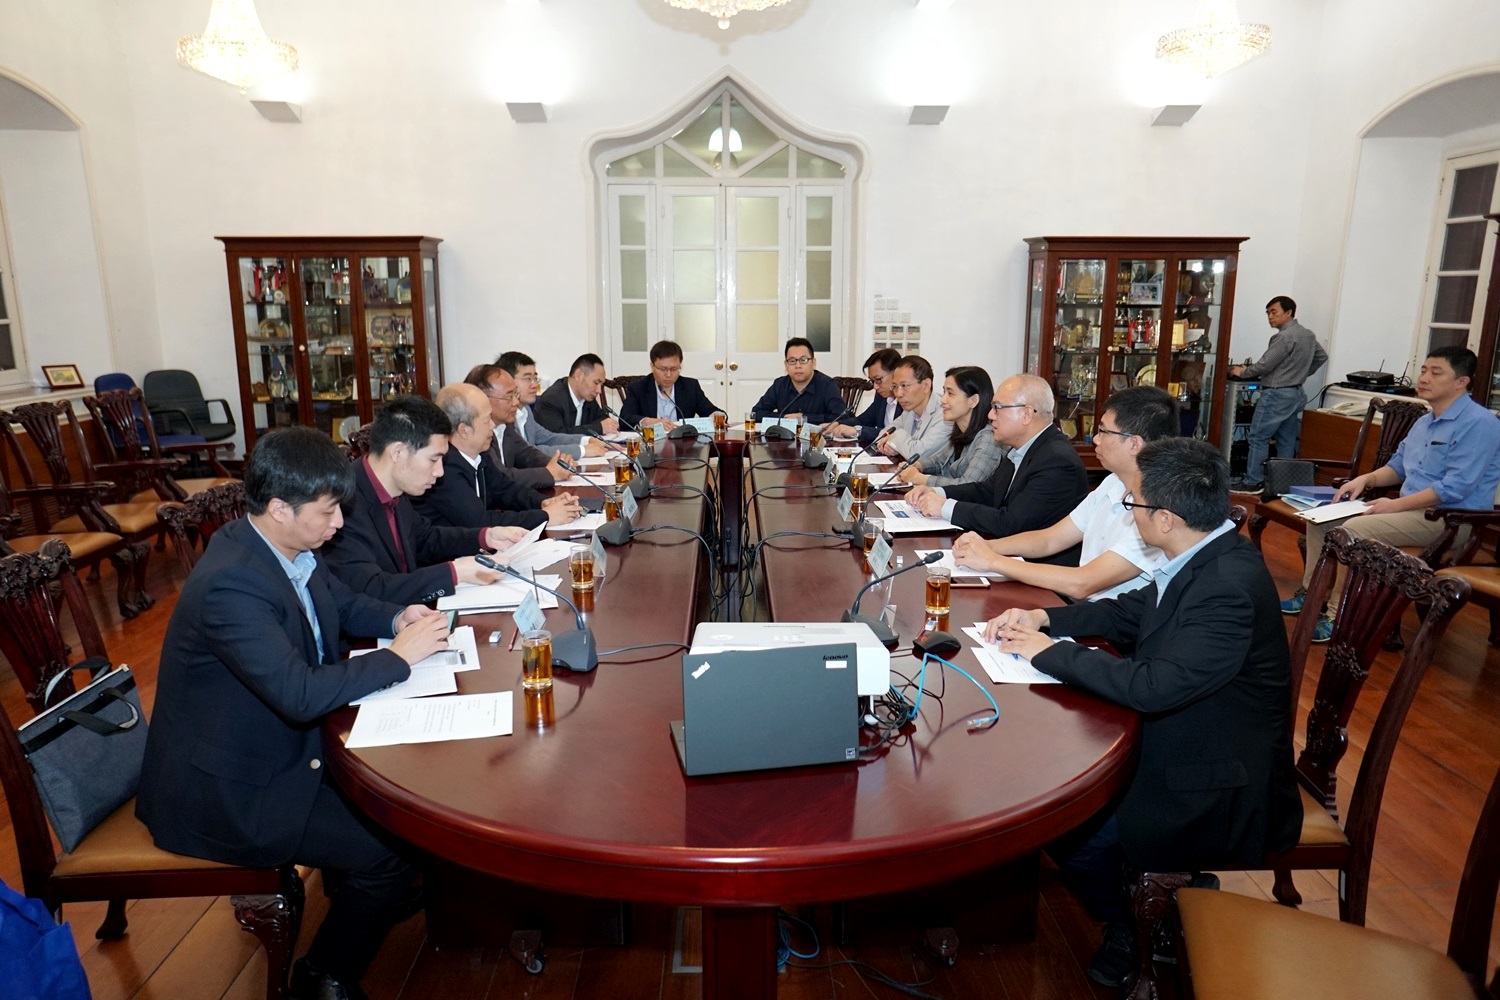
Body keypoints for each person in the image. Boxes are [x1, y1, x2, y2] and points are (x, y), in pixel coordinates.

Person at [137, 427, 456, 1000]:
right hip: (230, 787)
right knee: (392, 848)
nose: (339, 523)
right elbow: (298, 694)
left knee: (405, 801)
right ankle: (324, 975)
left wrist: (397, 618)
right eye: (329, 511)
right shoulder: (231, 584)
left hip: (276, 749)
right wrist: (397, 659)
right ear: (280, 508)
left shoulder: (283, 546)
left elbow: (342, 602)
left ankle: (369, 900)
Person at [986, 437, 1302, 988]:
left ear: (1166, 518)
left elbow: (1154, 687)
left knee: (1070, 826)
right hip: (1189, 731)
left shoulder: (1226, 586)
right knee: (1054, 776)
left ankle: (1137, 925)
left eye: (1132, 503)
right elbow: (1130, 612)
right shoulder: (1201, 552)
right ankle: (1157, 900)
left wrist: (1048, 655)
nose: (1127, 513)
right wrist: (1044, 620)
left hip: (1218, 775)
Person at [1285, 346, 1500, 641]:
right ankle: (1313, 596)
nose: (1424, 378)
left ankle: (1339, 616)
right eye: (1423, 370)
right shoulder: (1424, 422)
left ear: (1461, 382)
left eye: (1436, 373)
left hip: (1452, 520)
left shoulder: (1480, 423)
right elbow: (1398, 467)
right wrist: (1366, 480)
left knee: (1353, 530)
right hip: (1412, 511)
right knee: (1321, 520)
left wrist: (1395, 505)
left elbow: (1454, 487)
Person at [960, 385, 1176, 602]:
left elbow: (1083, 583)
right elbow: (1049, 539)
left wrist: (993, 561)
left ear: (1134, 444)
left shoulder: (1159, 511)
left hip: (1111, 619)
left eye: (1104, 431)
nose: (1096, 439)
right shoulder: (1113, 483)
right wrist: (988, 546)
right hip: (1085, 609)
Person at [322, 395, 525, 606]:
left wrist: (486, 536)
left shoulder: (395, 488)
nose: (440, 472)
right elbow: (373, 588)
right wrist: (455, 572)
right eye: (433, 459)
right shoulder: (342, 504)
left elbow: (425, 538)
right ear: (398, 452)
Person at [907, 374, 1089, 561]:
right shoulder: (1022, 447)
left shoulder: (1056, 461)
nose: (990, 415)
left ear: (1026, 414)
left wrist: (946, 507)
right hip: (1009, 557)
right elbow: (987, 491)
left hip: (1039, 570)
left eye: (997, 408)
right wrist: (937, 492)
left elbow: (1011, 523)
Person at [416, 381, 582, 530]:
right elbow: (481, 522)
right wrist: (545, 517)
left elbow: (506, 489)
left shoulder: (480, 454)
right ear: (463, 430)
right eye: (486, 420)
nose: (492, 425)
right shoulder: (445, 469)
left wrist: (543, 502)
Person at [1228, 296, 1329, 493]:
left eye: (1274, 312)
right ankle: (1282, 484)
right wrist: (1300, 373)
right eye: (1268, 313)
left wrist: (1242, 372)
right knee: (1287, 440)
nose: (1270, 317)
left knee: (1258, 437)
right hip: (1296, 393)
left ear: (1289, 312)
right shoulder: (1308, 335)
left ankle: (1252, 482)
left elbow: (1264, 365)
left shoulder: (1283, 337)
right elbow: (1321, 357)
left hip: (1276, 394)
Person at [465, 365, 571, 490]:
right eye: (509, 396)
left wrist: (558, 464)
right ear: (483, 399)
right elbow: (501, 477)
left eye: (516, 394)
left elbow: (527, 454)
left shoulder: (506, 425)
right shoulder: (477, 434)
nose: (516, 402)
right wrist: (549, 473)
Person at [897, 366, 1005, 489]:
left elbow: (967, 485)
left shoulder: (988, 439)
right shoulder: (960, 429)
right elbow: (939, 461)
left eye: (950, 393)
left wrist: (919, 478)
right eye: (944, 392)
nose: (943, 400)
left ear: (973, 400)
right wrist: (916, 465)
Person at [496, 350, 607, 460]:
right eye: (528, 379)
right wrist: (582, 450)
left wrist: (587, 440)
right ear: (507, 380)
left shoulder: (525, 410)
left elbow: (548, 437)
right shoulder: (502, 416)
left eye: (535, 379)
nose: (534, 385)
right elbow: (529, 453)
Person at [619, 339, 721, 431]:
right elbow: (624, 419)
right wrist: (649, 422)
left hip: (683, 443)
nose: (668, 374)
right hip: (651, 442)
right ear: (652, 366)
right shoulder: (638, 388)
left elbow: (714, 411)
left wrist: (715, 417)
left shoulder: (690, 386)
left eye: (674, 369)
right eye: (663, 369)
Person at [749, 337, 846, 424]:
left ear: (813, 363)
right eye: (792, 361)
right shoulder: (780, 385)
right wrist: (785, 418)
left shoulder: (827, 385)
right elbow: (756, 413)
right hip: (785, 437)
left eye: (803, 360)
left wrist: (804, 418)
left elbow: (842, 417)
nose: (798, 365)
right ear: (786, 365)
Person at [876, 355, 950, 460]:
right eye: (895, 387)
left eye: (904, 386)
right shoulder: (909, 411)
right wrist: (894, 445)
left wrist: (896, 438)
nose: (898, 394)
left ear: (926, 385)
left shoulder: (945, 415)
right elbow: (882, 436)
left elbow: (917, 453)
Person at [533, 353, 620, 437]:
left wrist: (609, 425)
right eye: (596, 383)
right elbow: (557, 436)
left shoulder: (588, 398)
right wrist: (598, 428)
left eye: (601, 385)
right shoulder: (552, 399)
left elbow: (602, 420)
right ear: (579, 375)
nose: (599, 390)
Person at [827, 348, 901, 444]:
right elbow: (863, 420)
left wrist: (858, 431)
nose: (875, 386)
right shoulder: (881, 397)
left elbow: (896, 433)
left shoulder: (907, 401)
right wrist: (836, 424)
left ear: (895, 373)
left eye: (878, 379)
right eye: (872, 381)